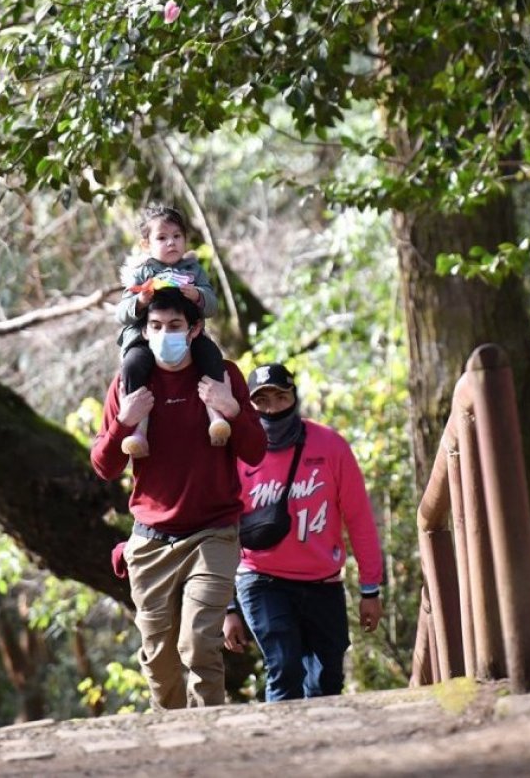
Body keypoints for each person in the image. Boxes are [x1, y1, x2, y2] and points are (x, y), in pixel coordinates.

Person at [91, 288, 266, 709]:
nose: (165, 335)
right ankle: (169, 739)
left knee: (200, 644)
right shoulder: (129, 384)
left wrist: (232, 410)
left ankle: (211, 736)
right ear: (144, 331)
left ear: (195, 329)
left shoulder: (222, 376)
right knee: (159, 659)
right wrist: (124, 423)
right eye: (155, 327)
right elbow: (104, 465)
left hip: (213, 533)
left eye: (174, 327)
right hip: (151, 540)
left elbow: (256, 451)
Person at [221, 363, 385, 702]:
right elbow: (221, 533)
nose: (272, 408)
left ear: (294, 398)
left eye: (281, 397)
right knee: (284, 666)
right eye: (262, 401)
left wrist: (370, 589)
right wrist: (229, 608)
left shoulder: (331, 447)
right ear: (248, 406)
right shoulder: (234, 454)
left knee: (327, 680)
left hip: (322, 582)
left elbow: (359, 520)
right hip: (261, 578)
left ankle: (325, 750)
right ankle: (283, 751)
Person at [116, 203, 229, 457]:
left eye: (177, 236)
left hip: (188, 337)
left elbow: (212, 306)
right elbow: (120, 313)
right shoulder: (141, 272)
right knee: (133, 365)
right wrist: (141, 301)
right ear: (146, 245)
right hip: (145, 341)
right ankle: (139, 431)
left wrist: (198, 295)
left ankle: (216, 416)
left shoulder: (194, 270)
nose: (171, 243)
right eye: (162, 237)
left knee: (210, 355)